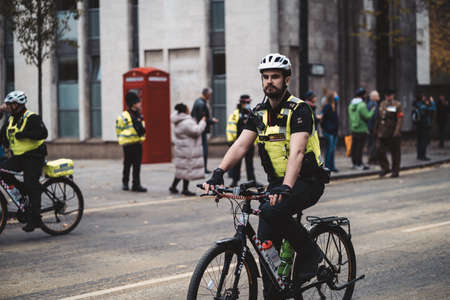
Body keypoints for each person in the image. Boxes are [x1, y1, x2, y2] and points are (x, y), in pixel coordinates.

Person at [203, 53, 327, 299]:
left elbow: (298, 151)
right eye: (266, 77)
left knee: (273, 210)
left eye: (276, 77)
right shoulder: (258, 112)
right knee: (265, 245)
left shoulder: (299, 110)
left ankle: (310, 253)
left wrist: (286, 187)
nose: (270, 81)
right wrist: (218, 173)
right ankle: (275, 292)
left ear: (286, 79)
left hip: (307, 181)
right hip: (277, 183)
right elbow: (240, 145)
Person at [0, 91, 48, 232]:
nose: (9, 107)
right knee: (2, 172)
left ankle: (36, 218)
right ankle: (24, 192)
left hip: (34, 156)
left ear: (19, 105)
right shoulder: (10, 120)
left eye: (11, 104)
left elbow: (43, 133)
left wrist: (24, 134)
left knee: (31, 184)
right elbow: (2, 136)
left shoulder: (32, 117)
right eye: (8, 105)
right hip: (19, 157)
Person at [169, 103, 206, 196]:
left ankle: (173, 186)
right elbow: (196, 131)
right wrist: (203, 122)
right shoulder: (186, 122)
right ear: (185, 111)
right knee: (187, 169)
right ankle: (185, 189)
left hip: (182, 148)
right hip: (188, 149)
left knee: (182, 169)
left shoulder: (178, 120)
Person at [116, 91, 147, 192]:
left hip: (137, 143)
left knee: (137, 165)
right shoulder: (124, 116)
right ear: (133, 103)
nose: (140, 103)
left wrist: (142, 139)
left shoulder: (139, 115)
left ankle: (136, 184)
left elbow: (142, 128)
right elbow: (119, 129)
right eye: (138, 102)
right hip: (128, 144)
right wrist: (122, 140)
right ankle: (125, 183)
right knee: (127, 164)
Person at [226, 94, 257, 186]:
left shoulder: (251, 113)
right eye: (245, 102)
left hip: (249, 143)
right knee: (236, 163)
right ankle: (235, 181)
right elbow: (230, 127)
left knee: (249, 163)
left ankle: (252, 181)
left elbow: (256, 128)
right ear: (241, 103)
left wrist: (256, 142)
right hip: (238, 143)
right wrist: (230, 140)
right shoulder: (236, 114)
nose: (247, 104)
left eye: (248, 102)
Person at [374, 89, 403, 177]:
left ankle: (395, 170)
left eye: (389, 95)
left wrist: (397, 131)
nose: (388, 97)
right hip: (382, 132)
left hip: (392, 131)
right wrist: (376, 129)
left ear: (393, 96)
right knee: (379, 150)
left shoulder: (397, 105)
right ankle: (385, 168)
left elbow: (399, 119)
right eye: (386, 95)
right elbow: (379, 117)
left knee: (395, 153)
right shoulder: (382, 104)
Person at [191, 88, 218, 174]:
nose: (211, 97)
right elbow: (203, 118)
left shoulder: (198, 101)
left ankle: (202, 168)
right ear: (206, 94)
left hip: (198, 128)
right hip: (201, 129)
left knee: (200, 149)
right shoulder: (201, 103)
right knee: (204, 150)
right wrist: (212, 121)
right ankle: (203, 168)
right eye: (210, 95)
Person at [348, 87, 375, 170]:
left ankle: (354, 163)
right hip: (361, 129)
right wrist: (372, 111)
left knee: (354, 147)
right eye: (365, 94)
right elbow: (367, 116)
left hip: (353, 129)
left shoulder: (351, 105)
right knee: (360, 148)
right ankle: (359, 164)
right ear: (362, 95)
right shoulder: (362, 105)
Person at [321, 91, 339, 172]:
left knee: (332, 150)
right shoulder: (327, 106)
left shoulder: (334, 106)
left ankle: (332, 166)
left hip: (334, 131)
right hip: (329, 131)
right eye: (335, 95)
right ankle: (328, 167)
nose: (337, 97)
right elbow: (322, 117)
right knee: (329, 150)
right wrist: (326, 129)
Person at [414, 95, 436, 161]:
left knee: (419, 141)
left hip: (418, 126)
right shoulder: (423, 106)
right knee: (424, 141)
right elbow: (433, 108)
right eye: (423, 97)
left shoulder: (417, 104)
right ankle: (423, 156)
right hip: (424, 126)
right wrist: (432, 102)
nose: (425, 98)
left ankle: (419, 155)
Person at [367, 90, 380, 164]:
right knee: (374, 143)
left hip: (369, 127)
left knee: (370, 143)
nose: (379, 97)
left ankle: (370, 158)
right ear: (374, 97)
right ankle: (373, 159)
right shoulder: (374, 104)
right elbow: (374, 117)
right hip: (373, 127)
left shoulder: (368, 103)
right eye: (378, 95)